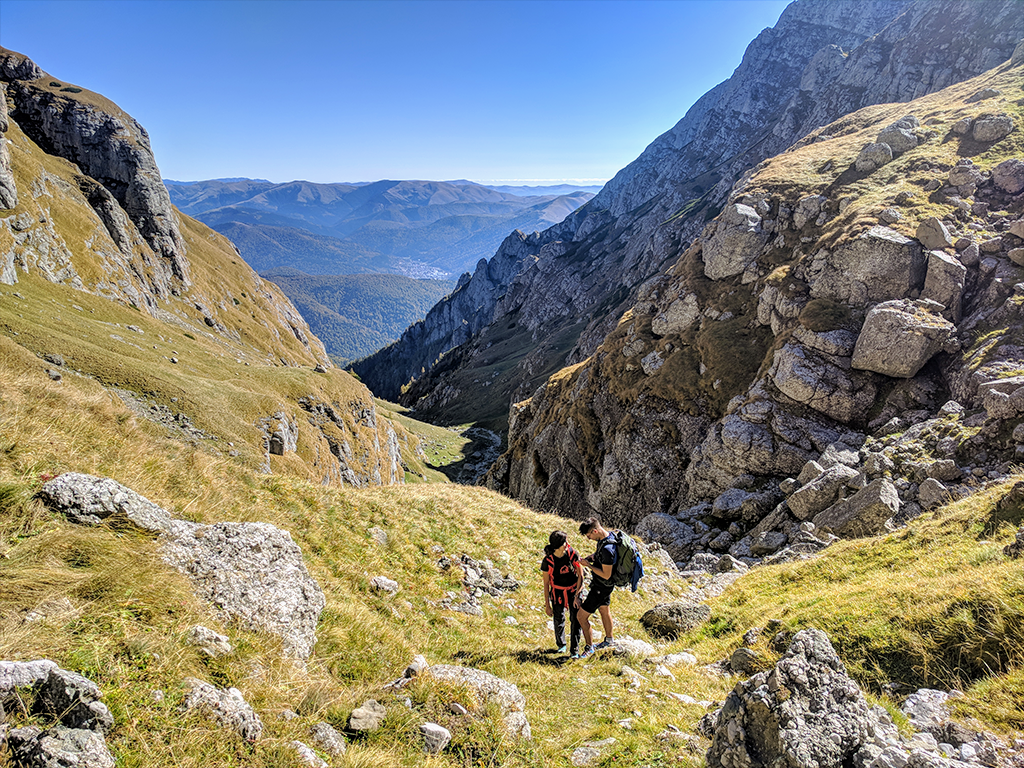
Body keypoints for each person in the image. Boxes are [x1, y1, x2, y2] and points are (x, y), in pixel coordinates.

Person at [576, 516, 617, 658]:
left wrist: (589, 566)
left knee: (581, 616)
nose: (588, 539)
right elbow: (600, 554)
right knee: (604, 610)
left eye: (588, 536)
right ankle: (609, 640)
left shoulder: (607, 549)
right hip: (606, 586)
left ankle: (589, 647)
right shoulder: (607, 537)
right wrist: (592, 557)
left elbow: (606, 574)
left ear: (594, 531)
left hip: (601, 586)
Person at [540, 530, 584, 656]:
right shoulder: (547, 561)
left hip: (573, 590)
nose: (567, 543)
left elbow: (581, 576)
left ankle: (574, 650)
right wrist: (547, 605)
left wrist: (577, 596)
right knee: (558, 618)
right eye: (565, 541)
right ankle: (561, 645)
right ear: (558, 545)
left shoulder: (572, 554)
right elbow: (546, 584)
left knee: (575, 619)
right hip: (557, 592)